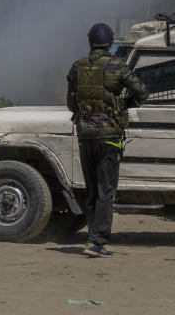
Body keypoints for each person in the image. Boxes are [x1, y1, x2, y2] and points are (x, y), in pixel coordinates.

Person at [66, 22, 148, 257]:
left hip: (85, 136)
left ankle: (92, 237)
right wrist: (123, 105)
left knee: (92, 189)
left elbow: (71, 103)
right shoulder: (117, 66)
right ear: (111, 43)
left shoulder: (77, 67)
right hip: (109, 138)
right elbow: (142, 92)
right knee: (106, 190)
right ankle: (97, 242)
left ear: (90, 41)